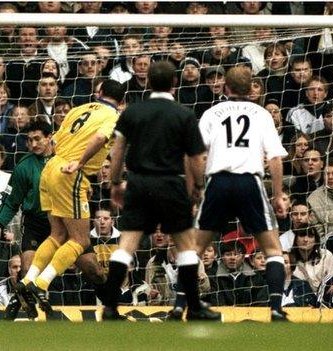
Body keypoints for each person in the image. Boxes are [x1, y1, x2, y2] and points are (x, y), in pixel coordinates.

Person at [101, 61, 217, 321]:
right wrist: (198, 186)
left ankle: (109, 307)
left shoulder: (132, 112)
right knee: (187, 246)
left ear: (149, 82)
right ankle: (195, 308)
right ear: (174, 83)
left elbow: (117, 150)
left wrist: (116, 182)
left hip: (139, 183)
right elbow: (196, 156)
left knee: (126, 245)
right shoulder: (183, 114)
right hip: (171, 183)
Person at [14, 79, 124, 315]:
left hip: (50, 168)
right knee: (81, 240)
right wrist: (80, 164)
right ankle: (40, 284)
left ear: (100, 92)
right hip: (70, 172)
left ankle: (26, 281)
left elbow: (53, 141)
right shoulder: (113, 117)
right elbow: (99, 139)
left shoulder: (78, 109)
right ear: (121, 101)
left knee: (58, 234)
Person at [195, 66, 290, 321]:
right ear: (251, 90)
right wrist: (279, 194)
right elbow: (276, 157)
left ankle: (182, 305)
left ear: (225, 88)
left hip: (218, 182)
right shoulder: (261, 114)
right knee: (272, 249)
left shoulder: (212, 112)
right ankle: (275, 308)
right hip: (250, 182)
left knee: (194, 248)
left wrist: (195, 188)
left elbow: (196, 154)